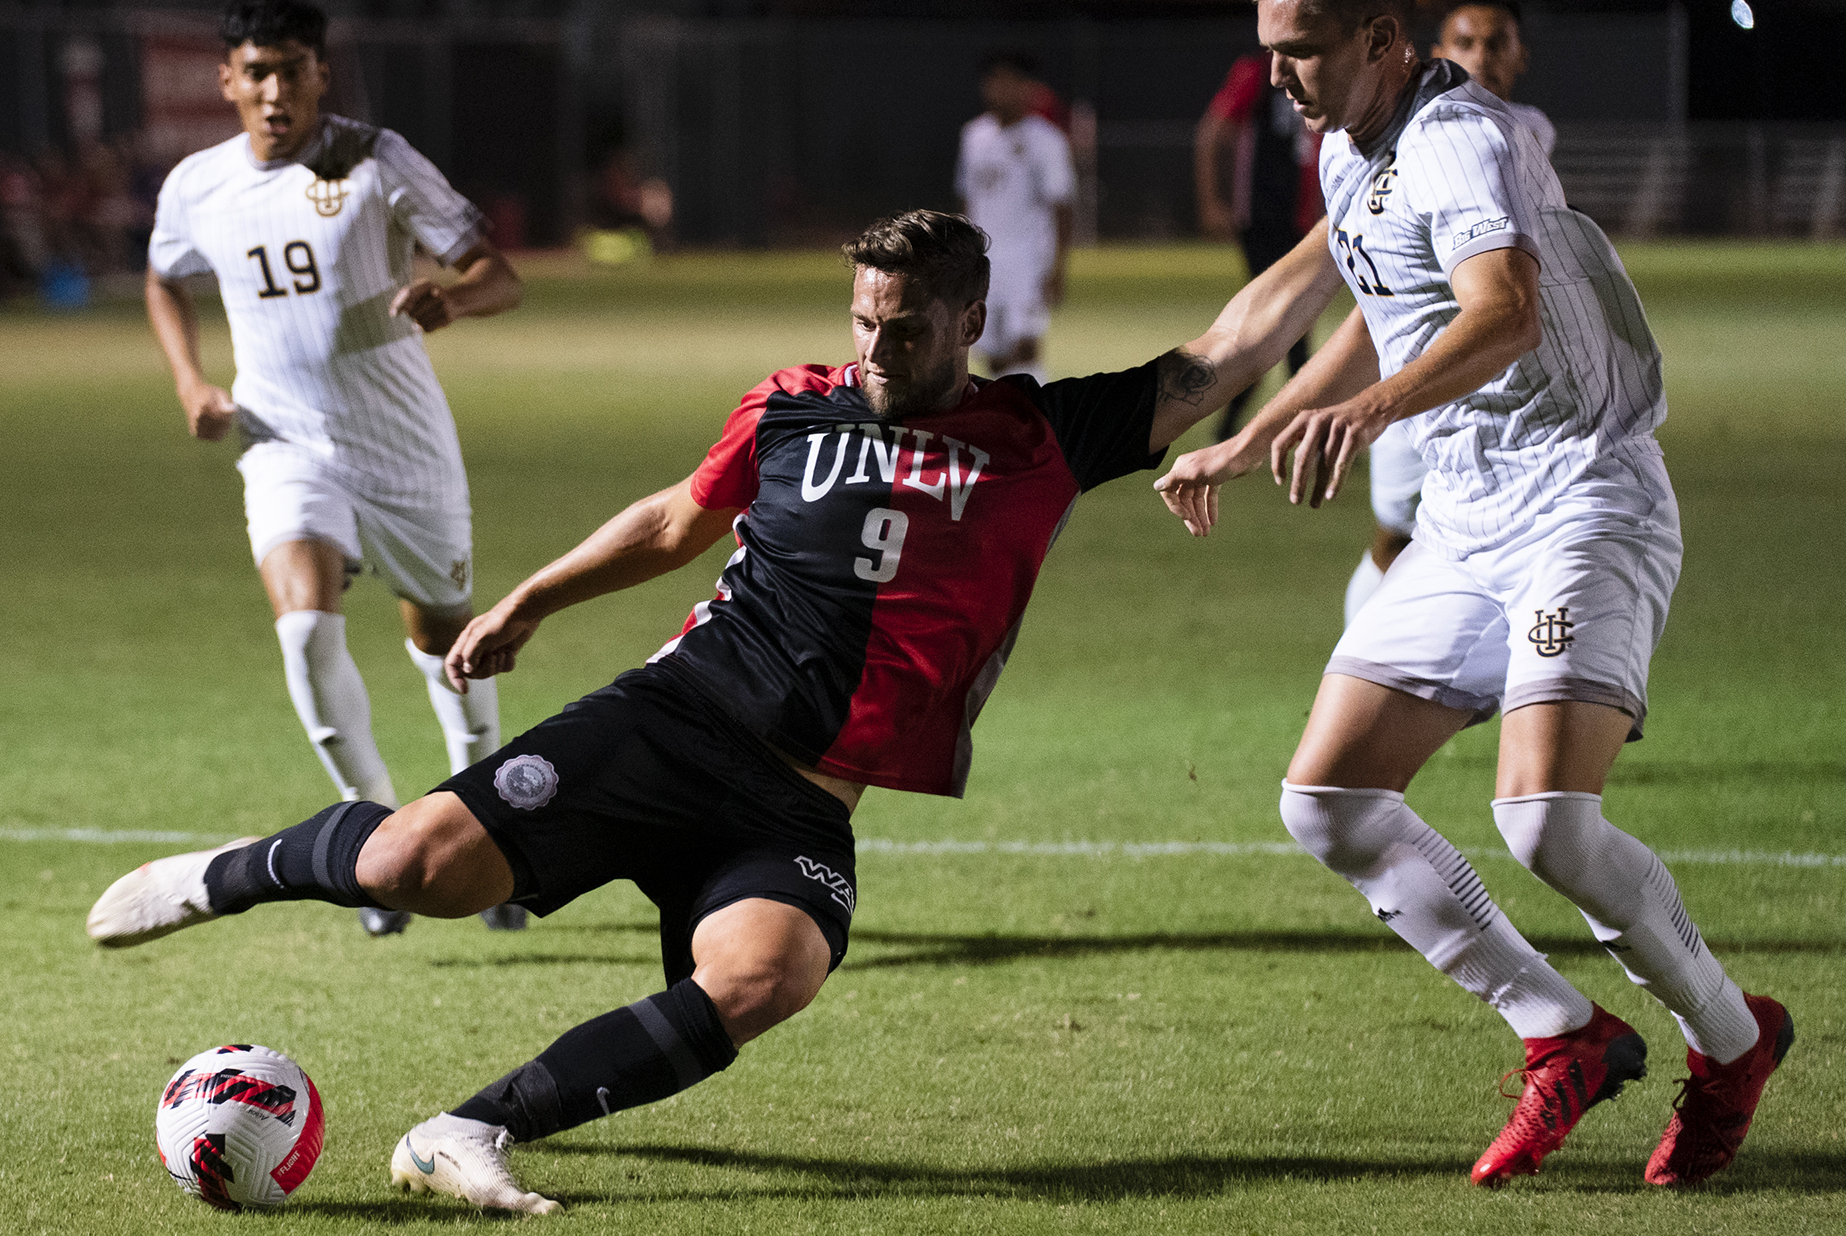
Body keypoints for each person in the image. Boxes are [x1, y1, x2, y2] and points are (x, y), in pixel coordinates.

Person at [88, 208, 1299, 1213]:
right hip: (672, 722)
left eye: (907, 328)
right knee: (416, 864)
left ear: (971, 320)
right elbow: (677, 517)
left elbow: (1227, 348)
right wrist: (536, 599)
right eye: (862, 321)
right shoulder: (790, 405)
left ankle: (462, 1131)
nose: (876, 348)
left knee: (770, 973)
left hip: (800, 802)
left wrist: (1349, 224)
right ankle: (223, 874)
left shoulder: (1041, 434)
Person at [1154, 0, 1790, 1190]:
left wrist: (1363, 411)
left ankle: (1729, 1041)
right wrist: (1255, 430)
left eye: (1303, 52)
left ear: (1384, 41)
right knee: (1324, 800)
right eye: (1267, 50)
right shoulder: (1348, 141)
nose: (1278, 77)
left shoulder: (1463, 140)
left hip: (1580, 497)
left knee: (1544, 819)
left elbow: (1502, 311)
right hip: (1461, 513)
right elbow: (1372, 300)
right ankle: (1562, 1031)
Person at [143, 0, 527, 937]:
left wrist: (455, 299)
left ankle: (487, 833)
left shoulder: (374, 159)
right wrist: (192, 381)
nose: (276, 91)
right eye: (257, 72)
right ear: (228, 79)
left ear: (322, 74)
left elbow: (498, 271)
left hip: (403, 450)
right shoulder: (197, 184)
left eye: (294, 71)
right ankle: (377, 848)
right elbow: (162, 276)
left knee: (453, 649)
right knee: (305, 632)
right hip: (282, 443)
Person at [1345, 0, 1558, 624]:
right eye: (1466, 42)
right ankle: (1363, 655)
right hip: (1418, 366)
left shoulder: (1532, 133)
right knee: (1396, 533)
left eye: (1498, 43)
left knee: (1515, 533)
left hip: (1499, 368)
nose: (1482, 55)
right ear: (1437, 52)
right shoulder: (1402, 138)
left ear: (1521, 56)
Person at [1194, 46, 1324, 441]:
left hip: (1301, 220)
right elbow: (1212, 132)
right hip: (1264, 218)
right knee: (1285, 321)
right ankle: (1307, 428)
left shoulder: (1322, 67)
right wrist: (1212, 200)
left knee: (1277, 323)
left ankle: (1233, 427)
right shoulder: (1258, 70)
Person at [955, 51, 1075, 382]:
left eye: (1010, 81)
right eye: (994, 82)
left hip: (1029, 259)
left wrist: (1058, 268)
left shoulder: (1046, 140)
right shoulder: (974, 136)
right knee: (989, 353)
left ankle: (1040, 423)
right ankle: (1006, 423)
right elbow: (968, 199)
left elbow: (1062, 206)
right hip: (984, 259)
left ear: (1027, 87)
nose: (1001, 90)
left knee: (1025, 347)